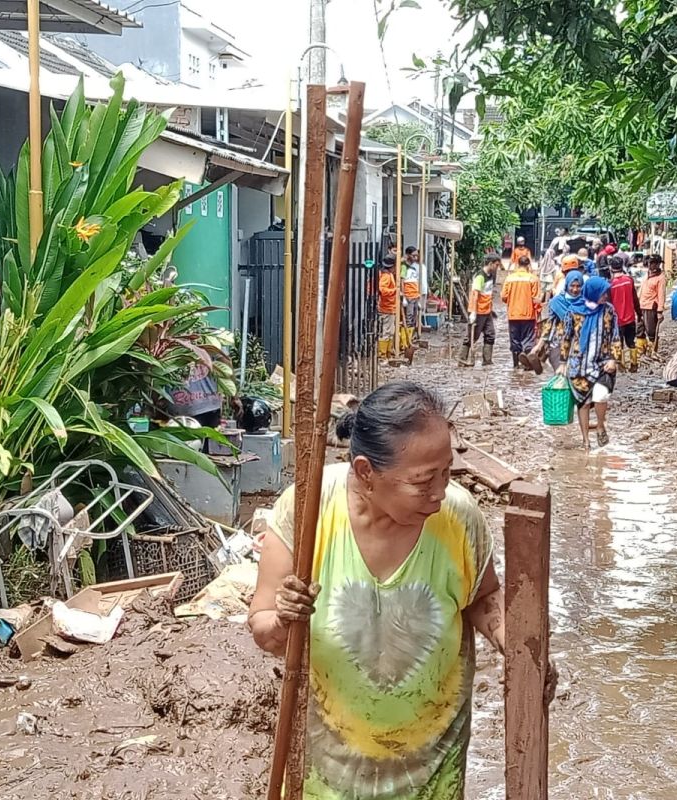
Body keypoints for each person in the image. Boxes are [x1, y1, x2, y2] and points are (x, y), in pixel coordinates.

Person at [249, 382, 556, 799]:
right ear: (365, 472)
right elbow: (265, 630)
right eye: (423, 481)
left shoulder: (459, 517)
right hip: (326, 772)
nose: (440, 492)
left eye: (447, 472)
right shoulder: (307, 508)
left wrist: (521, 650)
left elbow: (482, 599)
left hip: (431, 772)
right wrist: (287, 617)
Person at [558, 276, 621, 450]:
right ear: (593, 293)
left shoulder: (609, 311)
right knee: (583, 403)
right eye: (602, 293)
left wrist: (613, 359)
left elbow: (615, 336)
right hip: (579, 365)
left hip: (602, 363)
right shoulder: (573, 312)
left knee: (601, 395)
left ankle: (600, 425)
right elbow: (566, 337)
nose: (605, 296)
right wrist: (563, 362)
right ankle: (585, 440)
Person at [501, 254, 541, 369]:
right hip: (528, 315)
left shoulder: (510, 278)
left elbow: (504, 297)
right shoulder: (533, 279)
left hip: (513, 314)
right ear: (528, 265)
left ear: (518, 264)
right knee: (528, 339)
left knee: (514, 340)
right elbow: (536, 299)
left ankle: (515, 365)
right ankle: (527, 364)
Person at [460, 254, 500, 366]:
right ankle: (462, 359)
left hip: (487, 311)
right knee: (472, 337)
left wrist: (491, 310)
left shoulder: (490, 276)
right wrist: (473, 312)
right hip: (478, 312)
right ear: (491, 263)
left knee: (490, 334)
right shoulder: (480, 277)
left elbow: (487, 294)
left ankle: (487, 361)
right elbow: (475, 295)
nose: (497, 267)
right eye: (496, 265)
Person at [609, 256, 642, 372]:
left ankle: (622, 367)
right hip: (630, 318)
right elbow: (635, 298)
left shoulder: (611, 284)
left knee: (619, 343)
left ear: (611, 268)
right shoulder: (629, 280)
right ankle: (634, 365)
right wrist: (639, 313)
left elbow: (609, 304)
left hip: (617, 320)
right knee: (631, 342)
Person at [638, 255, 666, 354]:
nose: (651, 265)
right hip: (641, 305)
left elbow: (661, 295)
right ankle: (642, 351)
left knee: (651, 331)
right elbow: (641, 289)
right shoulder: (647, 274)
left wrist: (660, 311)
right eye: (650, 263)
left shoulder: (660, 277)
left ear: (658, 264)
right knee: (639, 330)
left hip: (650, 307)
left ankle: (652, 352)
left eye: (654, 263)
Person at [402, 246, 423, 331]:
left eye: (416, 256)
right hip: (408, 295)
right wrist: (403, 297)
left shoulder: (413, 268)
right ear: (408, 255)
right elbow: (401, 281)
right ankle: (407, 337)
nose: (415, 258)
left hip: (415, 295)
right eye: (413, 256)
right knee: (409, 317)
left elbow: (416, 283)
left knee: (414, 317)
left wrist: (418, 295)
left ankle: (412, 335)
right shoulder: (404, 267)